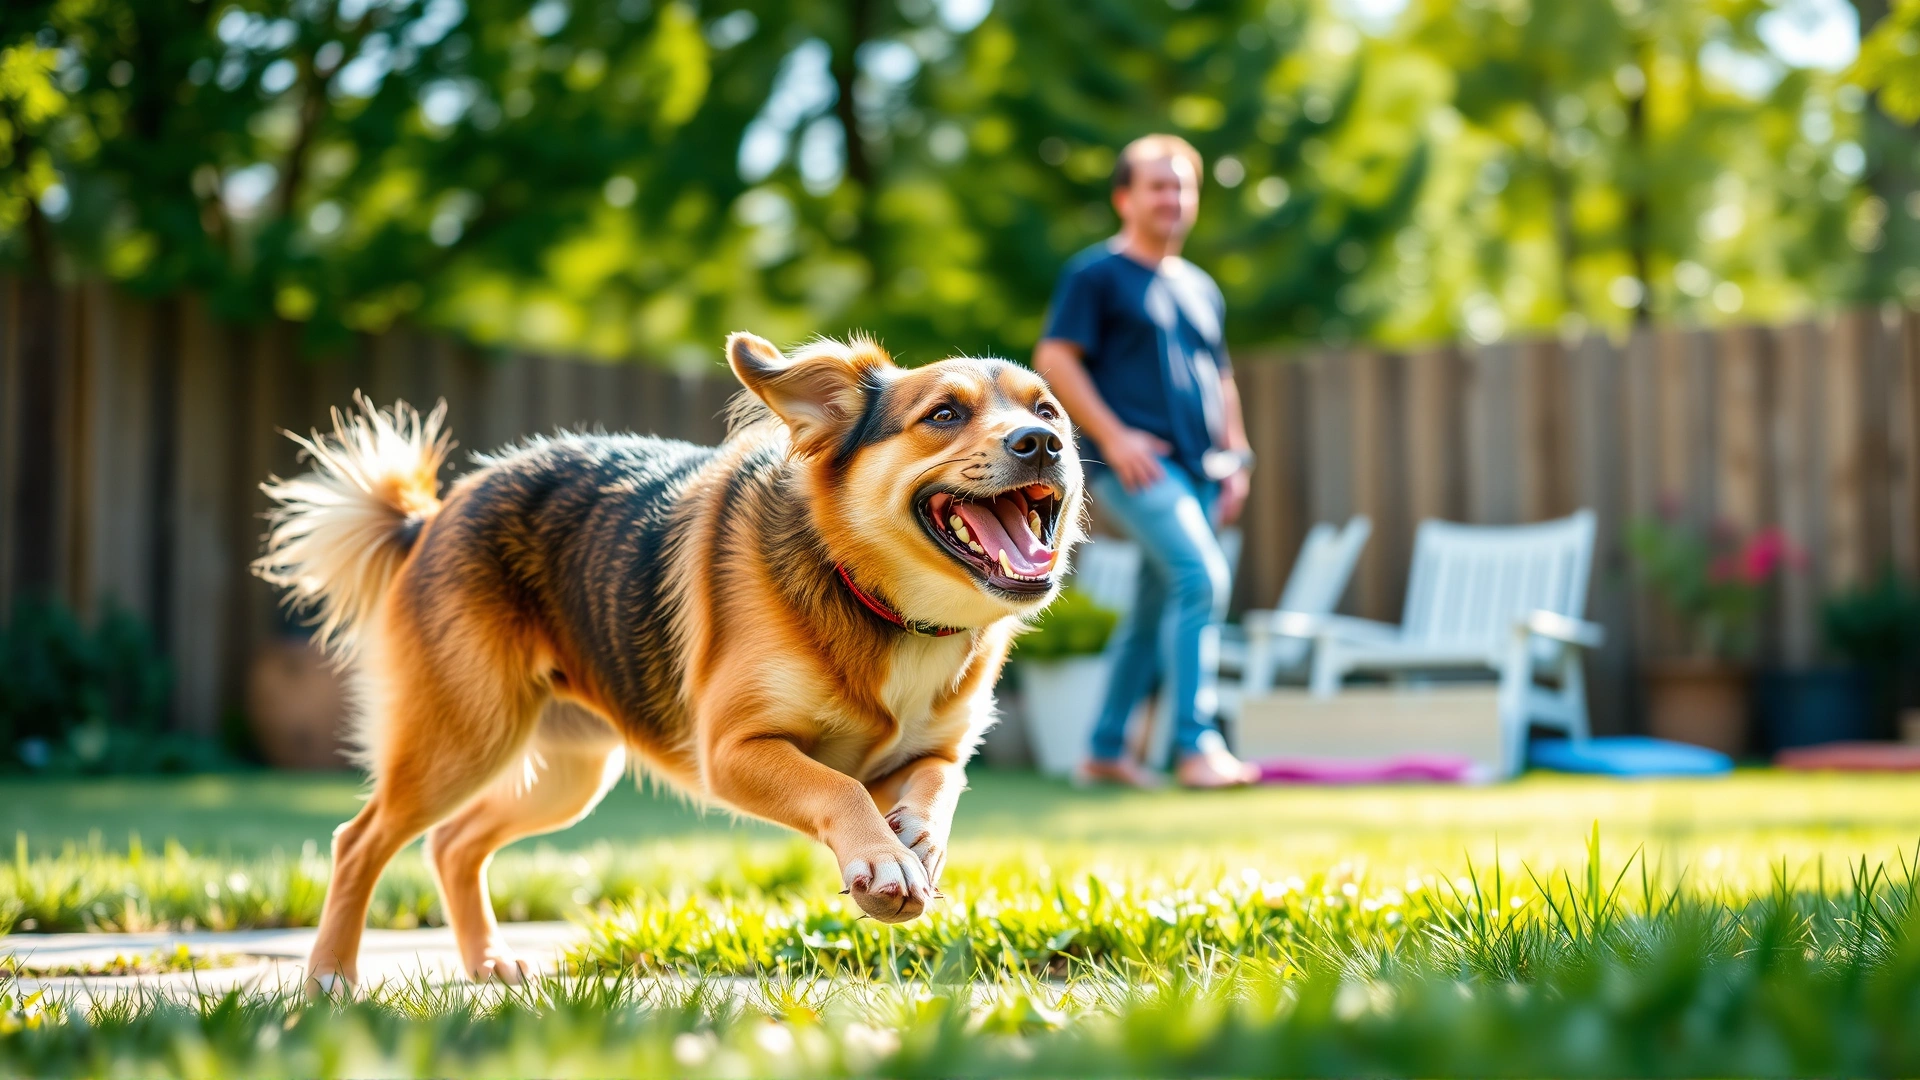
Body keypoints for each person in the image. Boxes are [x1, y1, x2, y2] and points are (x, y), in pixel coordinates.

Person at [1034, 134, 1258, 790]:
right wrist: (1116, 437)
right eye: (1158, 186)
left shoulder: (1198, 287)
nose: (1172, 198)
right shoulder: (1095, 275)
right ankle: (1196, 745)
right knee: (1201, 577)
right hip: (1138, 470)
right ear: (1124, 198)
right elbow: (1055, 359)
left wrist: (1236, 455)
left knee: (1154, 605)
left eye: (1182, 186)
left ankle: (1105, 748)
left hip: (1200, 470)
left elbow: (1221, 375)